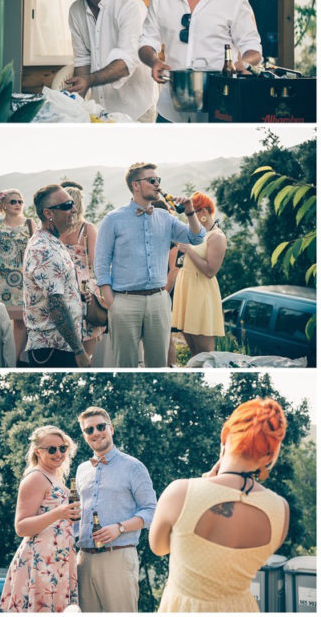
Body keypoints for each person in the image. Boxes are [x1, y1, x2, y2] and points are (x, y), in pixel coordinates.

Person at [150, 398, 289, 612]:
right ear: (269, 455)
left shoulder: (180, 492)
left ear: (225, 435)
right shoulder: (281, 510)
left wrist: (204, 486)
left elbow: (159, 548)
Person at [139, 0, 263, 123]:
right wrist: (153, 61)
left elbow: (253, 47)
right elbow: (147, 41)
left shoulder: (234, 0)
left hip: (220, 110)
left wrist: (244, 63)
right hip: (170, 111)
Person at [94, 163, 204, 367]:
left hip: (159, 300)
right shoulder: (113, 219)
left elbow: (195, 238)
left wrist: (190, 212)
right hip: (124, 301)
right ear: (136, 185)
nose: (157, 184)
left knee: (159, 364)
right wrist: (111, 302)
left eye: (158, 180)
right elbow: (101, 263)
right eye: (152, 180)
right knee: (125, 364)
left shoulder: (165, 217)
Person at [75, 406, 157, 614]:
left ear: (111, 429)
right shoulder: (81, 469)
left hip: (118, 557)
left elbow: (151, 511)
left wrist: (119, 528)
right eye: (89, 430)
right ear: (85, 436)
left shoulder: (133, 467)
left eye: (100, 426)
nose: (96, 433)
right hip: (83, 560)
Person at [64, 0, 158, 122]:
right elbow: (83, 60)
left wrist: (89, 80)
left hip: (137, 110)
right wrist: (74, 105)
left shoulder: (129, 5)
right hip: (101, 110)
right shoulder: (75, 11)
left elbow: (126, 63)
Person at [0, 424, 80, 612]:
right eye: (52, 449)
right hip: (40, 562)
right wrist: (58, 513)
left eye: (63, 448)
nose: (58, 453)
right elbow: (21, 527)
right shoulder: (35, 477)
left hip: (58, 560)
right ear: (37, 451)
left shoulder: (54, 476)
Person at [21, 185, 92, 368]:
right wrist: (79, 351)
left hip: (60, 346)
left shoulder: (51, 240)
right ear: (48, 213)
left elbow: (55, 291)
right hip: (53, 349)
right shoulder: (44, 249)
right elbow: (56, 305)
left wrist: (76, 294)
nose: (74, 209)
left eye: (73, 204)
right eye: (67, 205)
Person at [171, 192, 226, 358]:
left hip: (201, 292)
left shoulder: (217, 236)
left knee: (204, 353)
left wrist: (189, 250)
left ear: (203, 212)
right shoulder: (192, 232)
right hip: (186, 288)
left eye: (192, 211)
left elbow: (210, 271)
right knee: (193, 350)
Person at [58, 181, 109, 364]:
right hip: (84, 287)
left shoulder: (56, 230)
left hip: (61, 285)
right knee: (87, 347)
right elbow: (96, 262)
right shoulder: (88, 229)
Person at [0, 189, 36, 360]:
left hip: (24, 281)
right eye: (13, 201)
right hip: (1, 281)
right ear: (4, 205)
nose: (17, 205)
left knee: (21, 322)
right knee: (0, 322)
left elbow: (36, 252)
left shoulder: (30, 224)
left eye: (20, 201)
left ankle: (13, 360)